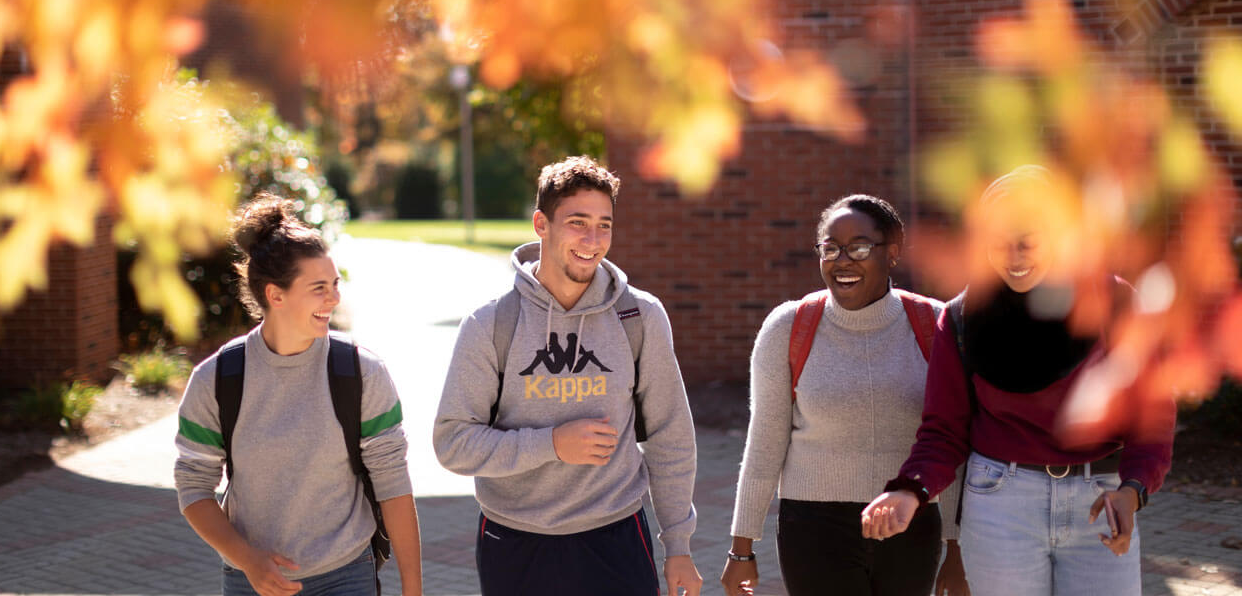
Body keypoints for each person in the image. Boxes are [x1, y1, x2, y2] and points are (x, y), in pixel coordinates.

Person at [861, 166, 1175, 596]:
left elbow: (1151, 417)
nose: (1013, 257)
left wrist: (1133, 489)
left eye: (1028, 242)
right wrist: (910, 490)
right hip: (1000, 504)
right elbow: (944, 430)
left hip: (1099, 501)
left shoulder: (1115, 303)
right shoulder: (960, 317)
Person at [433, 155, 703, 596]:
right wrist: (552, 444)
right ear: (542, 224)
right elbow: (453, 445)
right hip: (515, 541)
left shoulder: (639, 315)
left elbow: (671, 437)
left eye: (605, 225)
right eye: (578, 222)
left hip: (615, 537)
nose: (593, 240)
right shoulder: (492, 324)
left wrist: (678, 546)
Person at [174, 194, 423, 596]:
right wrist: (248, 559)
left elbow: (394, 485)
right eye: (319, 287)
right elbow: (193, 487)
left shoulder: (361, 373)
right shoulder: (218, 380)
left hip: (347, 576)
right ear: (276, 295)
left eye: (336, 284)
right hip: (251, 582)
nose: (334, 299)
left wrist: (413, 590)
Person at [721, 194, 966, 596]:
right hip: (813, 530)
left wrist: (955, 549)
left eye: (859, 247)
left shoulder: (935, 325)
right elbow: (764, 442)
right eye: (830, 248)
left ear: (893, 253)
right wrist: (741, 549)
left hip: (910, 523)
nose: (842, 260)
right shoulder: (788, 327)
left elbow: (950, 441)